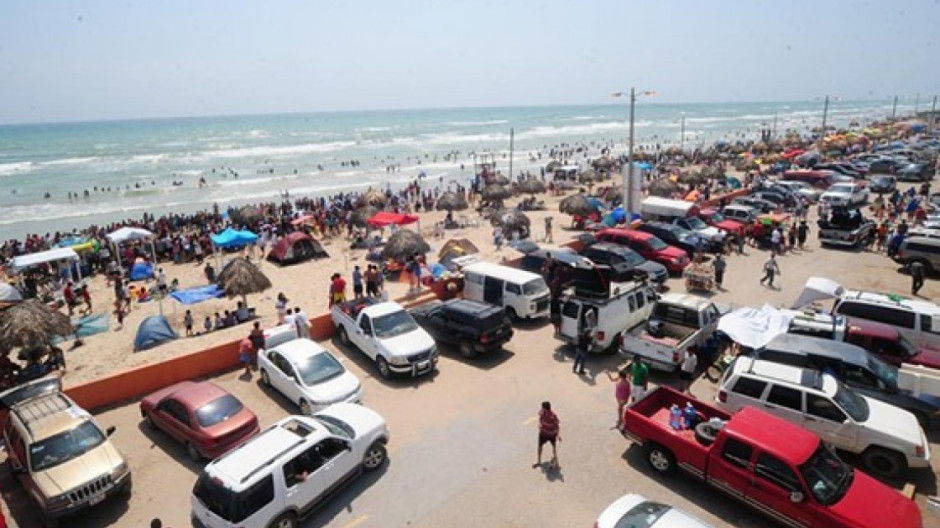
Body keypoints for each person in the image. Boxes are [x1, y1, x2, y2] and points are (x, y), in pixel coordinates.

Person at [534, 401, 561, 469]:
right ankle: (538, 461)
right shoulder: (542, 412)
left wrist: (558, 435)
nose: (541, 409)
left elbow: (557, 425)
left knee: (554, 448)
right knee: (540, 447)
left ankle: (556, 462)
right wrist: (540, 425)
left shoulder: (553, 416)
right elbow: (540, 418)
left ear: (545, 408)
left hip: (551, 434)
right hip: (543, 433)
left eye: (542, 407)